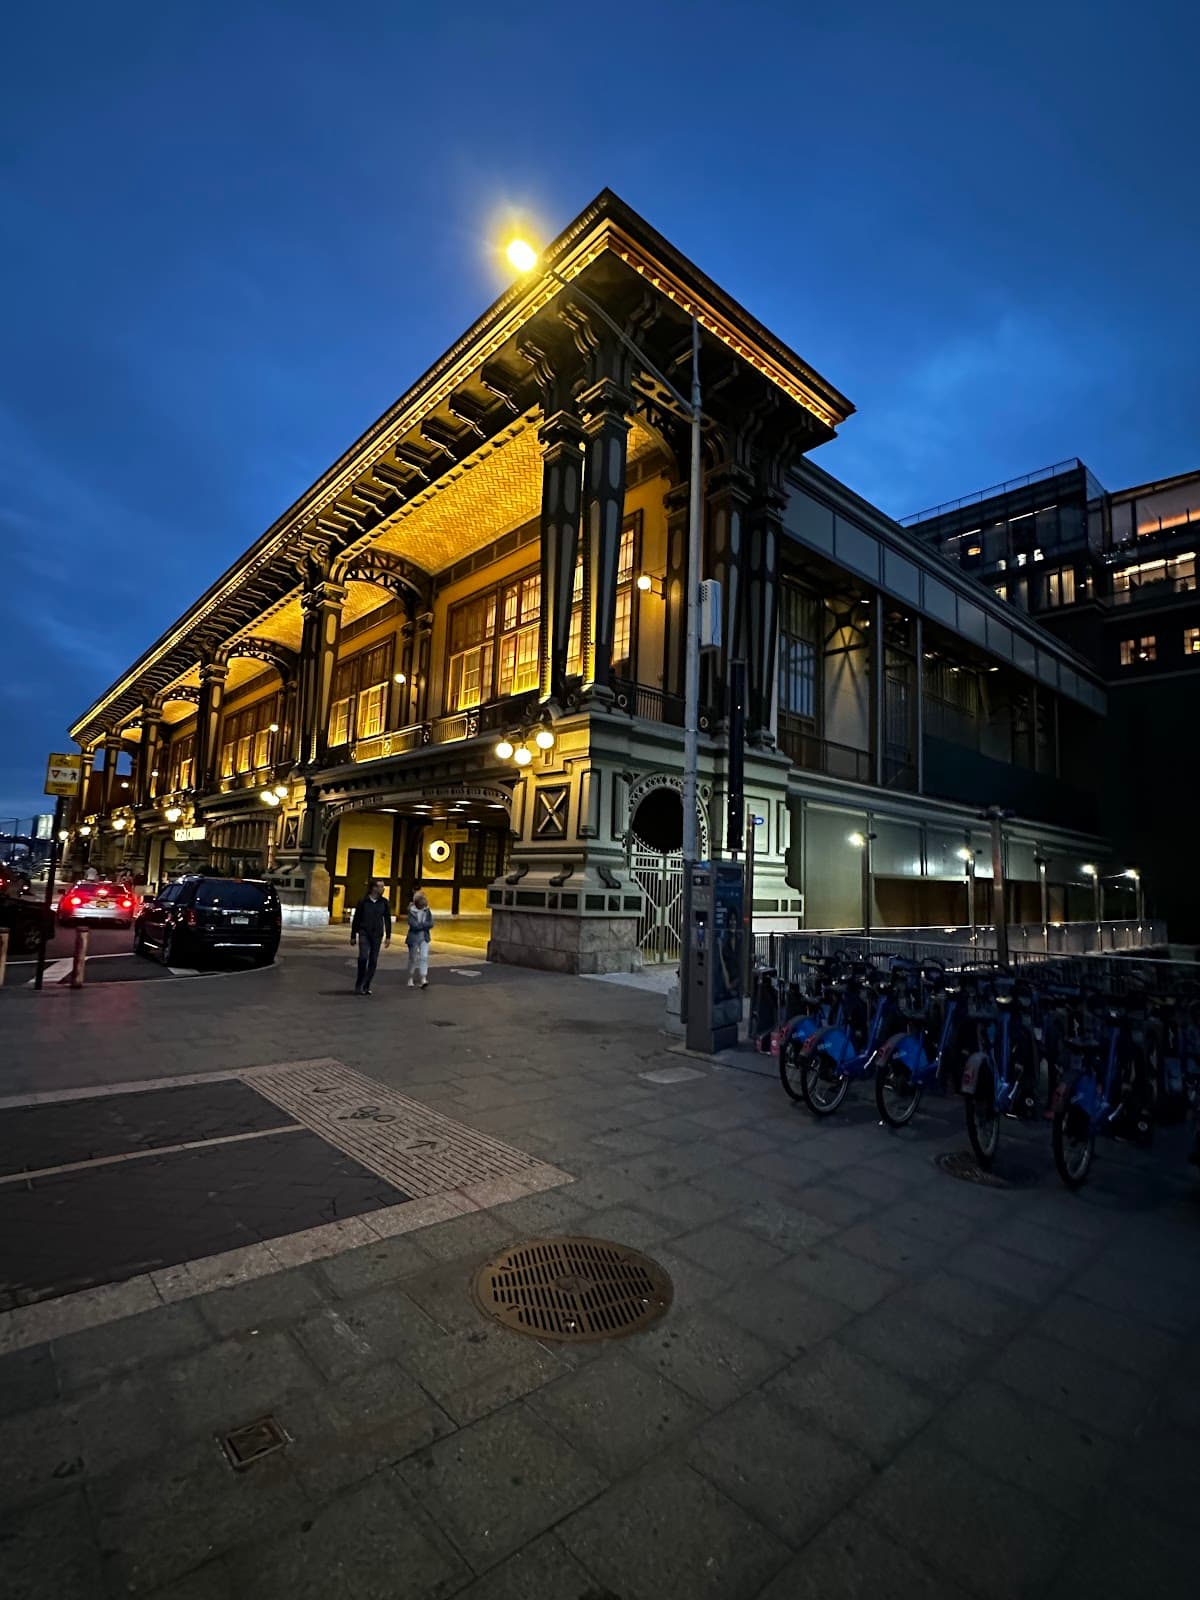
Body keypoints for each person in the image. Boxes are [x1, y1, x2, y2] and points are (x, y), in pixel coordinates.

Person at [350, 879, 391, 995]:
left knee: (373, 960)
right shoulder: (363, 901)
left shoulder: (384, 902)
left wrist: (388, 936)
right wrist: (353, 935)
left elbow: (387, 919)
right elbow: (357, 918)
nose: (382, 889)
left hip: (377, 934)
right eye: (380, 887)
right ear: (373, 888)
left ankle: (366, 984)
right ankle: (360, 982)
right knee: (363, 957)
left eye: (383, 887)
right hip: (364, 933)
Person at [405, 889, 433, 989]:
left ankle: (423, 977)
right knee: (413, 958)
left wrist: (422, 925)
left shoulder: (427, 910)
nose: (423, 905)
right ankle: (410, 977)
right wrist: (424, 925)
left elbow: (431, 923)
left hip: (425, 936)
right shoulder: (411, 911)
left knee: (424, 957)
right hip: (413, 937)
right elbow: (413, 925)